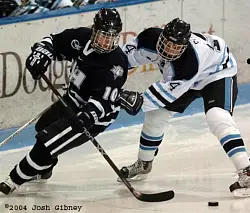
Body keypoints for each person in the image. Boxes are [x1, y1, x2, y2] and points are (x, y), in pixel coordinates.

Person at [0, 8, 142, 196]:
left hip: (94, 115)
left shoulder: (116, 63)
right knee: (42, 127)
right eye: (102, 36)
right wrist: (42, 53)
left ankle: (12, 181)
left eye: (111, 37)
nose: (106, 42)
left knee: (47, 142)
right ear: (94, 31)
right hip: (72, 100)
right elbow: (53, 41)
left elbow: (104, 102)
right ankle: (43, 171)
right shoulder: (82, 37)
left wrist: (88, 115)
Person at [117, 18, 250, 197]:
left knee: (217, 116)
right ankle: (144, 164)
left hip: (217, 73)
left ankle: (247, 171)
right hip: (187, 79)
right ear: (161, 36)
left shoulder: (189, 61)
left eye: (176, 47)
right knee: (155, 116)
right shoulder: (149, 38)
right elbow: (120, 60)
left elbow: (160, 95)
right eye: (168, 44)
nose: (170, 50)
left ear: (184, 46)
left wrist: (136, 100)